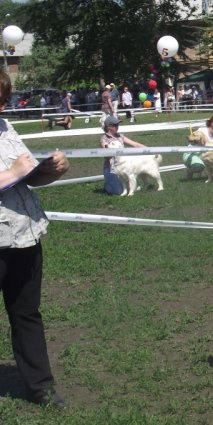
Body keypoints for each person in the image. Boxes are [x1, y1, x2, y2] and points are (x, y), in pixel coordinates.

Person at [0, 69, 70, 407]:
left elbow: (24, 180)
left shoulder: (5, 126)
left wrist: (48, 172)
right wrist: (13, 172)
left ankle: (40, 387)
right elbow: (12, 174)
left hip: (24, 235)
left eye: (3, 98)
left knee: (26, 312)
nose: (3, 105)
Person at [99, 115, 146, 195]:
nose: (117, 127)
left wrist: (150, 149)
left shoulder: (120, 136)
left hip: (124, 165)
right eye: (115, 125)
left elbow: (135, 144)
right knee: (117, 191)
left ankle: (130, 187)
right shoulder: (104, 139)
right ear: (109, 126)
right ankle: (109, 184)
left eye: (118, 125)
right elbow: (105, 150)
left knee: (125, 186)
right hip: (111, 168)